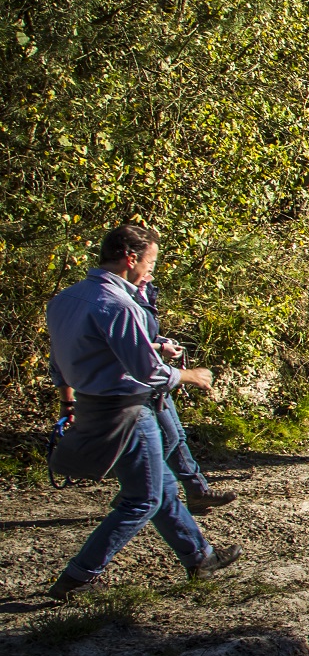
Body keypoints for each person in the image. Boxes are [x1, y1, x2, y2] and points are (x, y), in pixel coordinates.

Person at [44, 223, 241, 600]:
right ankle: (77, 576)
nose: (150, 271)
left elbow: (68, 358)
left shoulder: (66, 299)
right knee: (143, 500)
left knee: (161, 487)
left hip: (91, 405)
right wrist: (190, 375)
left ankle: (200, 557)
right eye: (149, 262)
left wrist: (67, 402)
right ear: (130, 258)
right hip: (128, 412)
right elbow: (148, 372)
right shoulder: (118, 304)